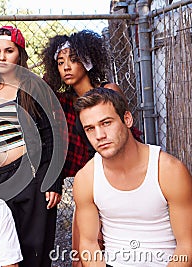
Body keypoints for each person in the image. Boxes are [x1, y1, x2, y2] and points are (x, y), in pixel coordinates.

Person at [41, 30, 143, 265]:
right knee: (81, 253)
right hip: (88, 183)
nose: (66, 67)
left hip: (119, 179)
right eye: (60, 62)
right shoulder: (65, 102)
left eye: (74, 59)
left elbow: (126, 138)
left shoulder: (110, 91)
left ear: (87, 61)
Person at [0, 26, 65, 267]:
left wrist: (52, 180)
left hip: (30, 175)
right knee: (2, 249)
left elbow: (52, 134)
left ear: (19, 54)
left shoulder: (33, 87)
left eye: (9, 51)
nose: (2, 56)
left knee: (34, 247)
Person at [72, 87, 192, 266]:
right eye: (90, 128)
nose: (99, 135)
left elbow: (187, 246)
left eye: (106, 123)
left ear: (127, 119)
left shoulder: (169, 171)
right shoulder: (86, 178)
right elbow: (89, 244)